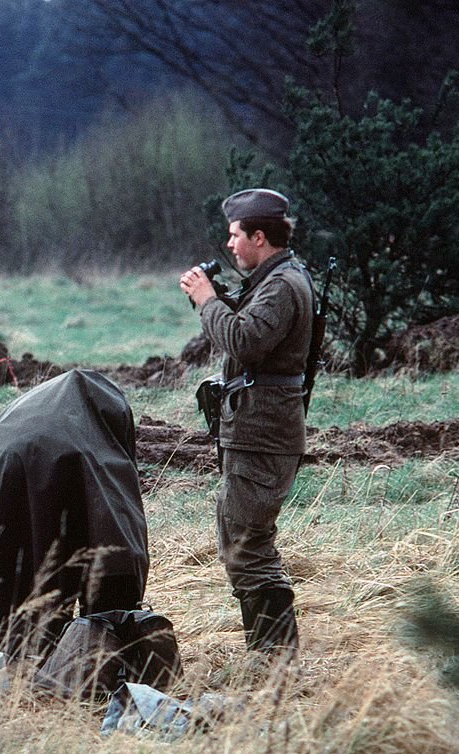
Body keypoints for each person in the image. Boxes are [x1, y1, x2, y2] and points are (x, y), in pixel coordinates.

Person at [178, 188, 314, 658]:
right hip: (257, 431)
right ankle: (269, 657)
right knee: (241, 541)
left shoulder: (281, 286)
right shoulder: (276, 278)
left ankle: (275, 660)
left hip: (263, 435)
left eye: (236, 235)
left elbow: (244, 341)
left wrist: (206, 300)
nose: (230, 245)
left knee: (248, 549)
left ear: (260, 236)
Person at [0, 369, 150, 660]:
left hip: (9, 453)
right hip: (46, 453)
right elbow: (120, 546)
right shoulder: (97, 446)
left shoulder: (45, 416)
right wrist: (120, 623)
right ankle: (56, 650)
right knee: (74, 543)